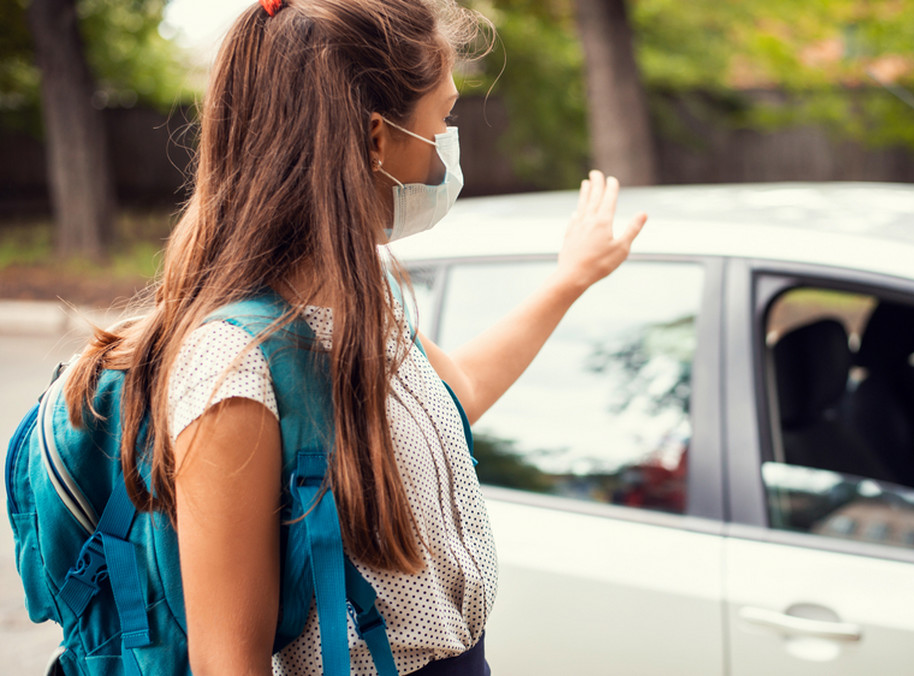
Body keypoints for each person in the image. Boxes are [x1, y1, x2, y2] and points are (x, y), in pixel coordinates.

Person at [60, 0, 646, 673]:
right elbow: (231, 665)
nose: (449, 147)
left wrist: (571, 278)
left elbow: (463, 391)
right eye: (443, 119)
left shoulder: (362, 298)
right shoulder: (233, 371)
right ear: (375, 140)